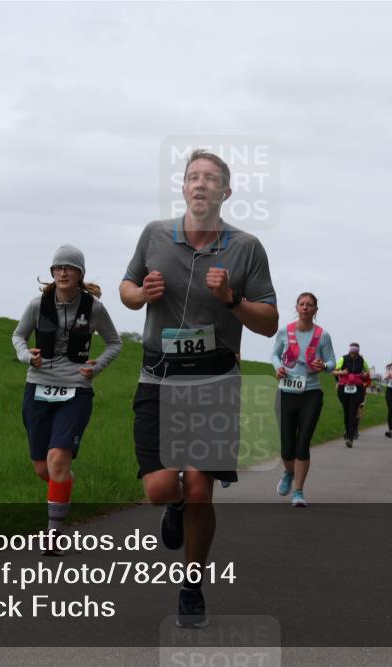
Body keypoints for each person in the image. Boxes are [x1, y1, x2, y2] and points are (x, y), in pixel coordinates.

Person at [120, 149, 278, 628]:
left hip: (213, 382)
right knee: (163, 487)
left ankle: (192, 585)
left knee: (201, 489)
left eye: (211, 178)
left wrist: (231, 299)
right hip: (159, 378)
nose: (201, 184)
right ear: (184, 188)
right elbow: (125, 290)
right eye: (193, 177)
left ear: (226, 192)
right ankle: (173, 505)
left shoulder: (246, 247)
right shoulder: (153, 235)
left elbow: (269, 323)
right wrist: (140, 295)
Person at [12, 245, 123, 555]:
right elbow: (18, 336)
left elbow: (115, 343)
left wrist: (96, 366)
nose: (62, 272)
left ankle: (53, 534)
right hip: (38, 387)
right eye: (57, 268)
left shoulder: (94, 309)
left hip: (76, 390)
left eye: (68, 268)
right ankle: (63, 482)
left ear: (79, 274)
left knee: (57, 459)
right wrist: (25, 355)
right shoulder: (37, 305)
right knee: (42, 468)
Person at [271, 293, 335, 505]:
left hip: (311, 393)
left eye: (310, 305)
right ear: (296, 307)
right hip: (286, 393)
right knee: (287, 448)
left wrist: (324, 366)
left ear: (315, 310)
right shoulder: (284, 331)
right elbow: (274, 355)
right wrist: (277, 368)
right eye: (302, 304)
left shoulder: (322, 335)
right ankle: (289, 473)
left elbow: (332, 362)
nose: (306, 307)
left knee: (302, 443)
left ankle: (298, 491)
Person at [333, 342, 370, 447]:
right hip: (344, 388)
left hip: (357, 389)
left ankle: (350, 438)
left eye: (355, 352)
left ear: (358, 352)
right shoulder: (343, 359)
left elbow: (367, 372)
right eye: (351, 352)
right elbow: (333, 372)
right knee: (346, 412)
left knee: (352, 412)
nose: (353, 354)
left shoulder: (362, 360)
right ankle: (348, 430)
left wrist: (365, 374)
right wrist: (342, 373)